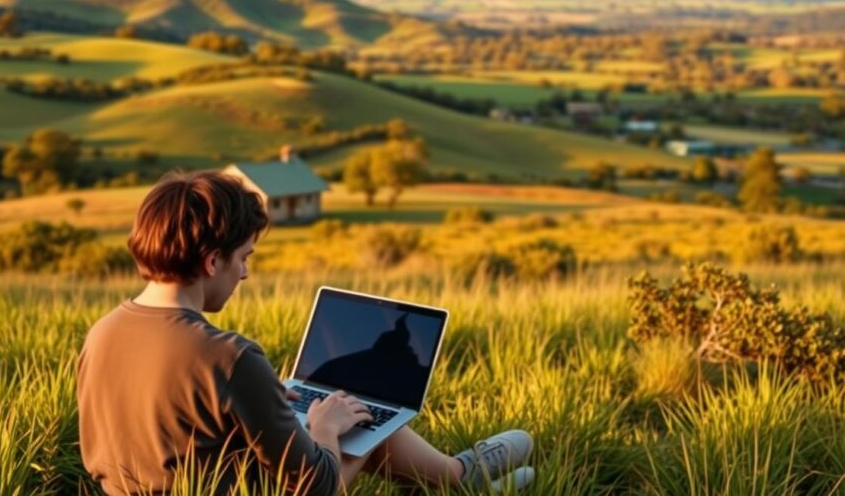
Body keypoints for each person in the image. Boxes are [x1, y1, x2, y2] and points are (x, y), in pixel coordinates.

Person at [77, 170, 535, 495]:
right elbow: (316, 488)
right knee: (347, 418)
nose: (245, 274)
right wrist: (325, 429)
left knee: (338, 409)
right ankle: (461, 478)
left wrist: (258, 405)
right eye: (244, 258)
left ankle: (459, 477)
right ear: (212, 261)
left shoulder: (101, 333)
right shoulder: (227, 356)